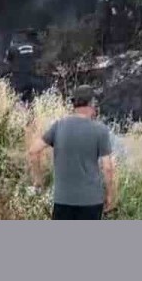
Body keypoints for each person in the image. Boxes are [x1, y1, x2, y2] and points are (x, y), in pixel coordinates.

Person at [27, 85, 117, 220]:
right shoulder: (100, 130)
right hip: (91, 202)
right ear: (91, 103)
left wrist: (38, 180)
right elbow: (108, 168)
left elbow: (33, 151)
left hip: (63, 200)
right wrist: (110, 195)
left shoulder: (58, 126)